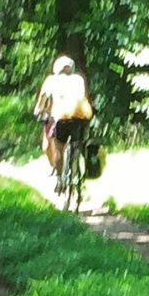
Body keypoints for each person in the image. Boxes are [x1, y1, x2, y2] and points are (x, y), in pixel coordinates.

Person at [32, 55, 94, 193]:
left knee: (59, 147)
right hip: (80, 119)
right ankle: (79, 166)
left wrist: (38, 110)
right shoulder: (79, 79)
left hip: (61, 119)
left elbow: (43, 100)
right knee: (80, 143)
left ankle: (60, 179)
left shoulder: (52, 80)